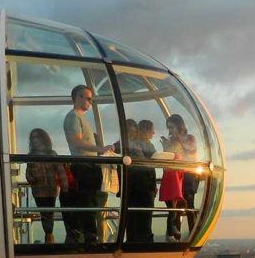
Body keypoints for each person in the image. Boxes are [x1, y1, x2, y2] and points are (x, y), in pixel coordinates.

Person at [61, 85, 113, 245]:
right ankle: (90, 238)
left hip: (88, 166)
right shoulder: (73, 117)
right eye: (88, 98)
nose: (90, 101)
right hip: (83, 166)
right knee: (87, 202)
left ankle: (90, 236)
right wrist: (100, 149)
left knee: (90, 201)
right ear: (78, 97)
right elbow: (76, 141)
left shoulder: (80, 118)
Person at [24, 128, 68, 243]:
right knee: (44, 213)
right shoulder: (31, 156)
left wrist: (65, 188)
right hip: (38, 191)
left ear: (44, 139)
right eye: (33, 138)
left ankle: (49, 236)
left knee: (49, 212)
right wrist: (32, 178)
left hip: (51, 190)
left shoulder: (51, 154)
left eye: (37, 137)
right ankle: (49, 236)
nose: (35, 140)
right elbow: (28, 174)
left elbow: (61, 171)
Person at [158, 114, 196, 241]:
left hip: (187, 176)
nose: (170, 131)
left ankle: (193, 235)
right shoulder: (173, 140)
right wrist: (166, 147)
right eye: (169, 128)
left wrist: (178, 140)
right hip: (177, 176)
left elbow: (190, 152)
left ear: (179, 126)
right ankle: (176, 236)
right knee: (177, 208)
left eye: (172, 127)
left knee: (189, 205)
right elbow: (170, 157)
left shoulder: (189, 138)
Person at [125, 119, 157, 242]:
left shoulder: (131, 144)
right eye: (152, 130)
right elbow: (151, 164)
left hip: (134, 188)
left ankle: (132, 242)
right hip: (144, 188)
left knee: (133, 219)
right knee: (145, 219)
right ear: (147, 130)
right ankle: (145, 243)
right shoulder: (146, 145)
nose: (153, 133)